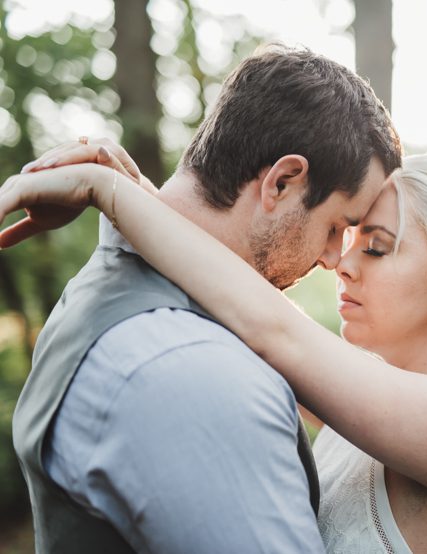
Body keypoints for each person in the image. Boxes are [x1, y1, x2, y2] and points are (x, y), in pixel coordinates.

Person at [1, 150, 427, 552]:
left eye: (376, 247)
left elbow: (271, 329)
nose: (343, 263)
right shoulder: (373, 396)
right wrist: (141, 194)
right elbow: (249, 307)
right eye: (349, 240)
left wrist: (109, 194)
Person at [5, 42, 401, 553]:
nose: (332, 259)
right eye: (336, 227)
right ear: (282, 182)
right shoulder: (199, 374)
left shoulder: (112, 287)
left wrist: (131, 200)